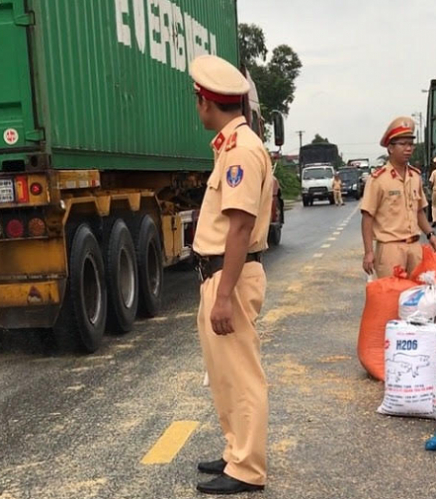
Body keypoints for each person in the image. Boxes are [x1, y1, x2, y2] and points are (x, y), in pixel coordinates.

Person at [189, 54, 272, 495]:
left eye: (196, 100)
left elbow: (239, 227)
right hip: (220, 275)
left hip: (230, 278)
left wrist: (223, 294)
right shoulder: (233, 145)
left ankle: (247, 468)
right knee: (223, 374)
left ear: (206, 102)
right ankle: (235, 450)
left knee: (241, 375)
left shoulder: (241, 151)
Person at [361, 116, 436, 278]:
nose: (408, 149)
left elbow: (419, 211)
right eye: (403, 144)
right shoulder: (378, 179)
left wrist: (430, 234)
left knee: (417, 297)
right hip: (390, 248)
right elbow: (367, 217)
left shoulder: (415, 176)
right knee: (392, 298)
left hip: (414, 247)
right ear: (390, 148)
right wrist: (368, 252)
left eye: (410, 144)